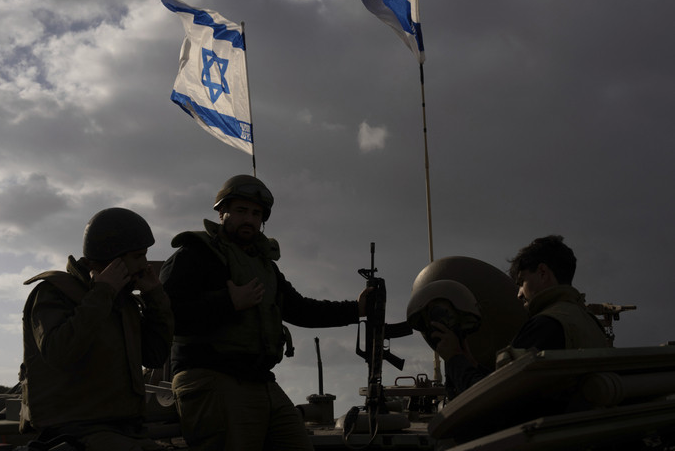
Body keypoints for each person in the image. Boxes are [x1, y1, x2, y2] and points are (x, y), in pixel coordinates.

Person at [160, 174, 369, 451]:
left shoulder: (264, 266)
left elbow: (300, 309)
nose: (249, 219)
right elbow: (167, 317)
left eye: (256, 214)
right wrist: (228, 302)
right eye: (241, 211)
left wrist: (356, 309)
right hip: (211, 377)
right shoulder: (195, 255)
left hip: (259, 379)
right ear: (222, 213)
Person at [19, 208, 174, 451]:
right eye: (137, 256)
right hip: (76, 430)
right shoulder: (54, 293)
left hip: (126, 428)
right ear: (112, 259)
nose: (144, 264)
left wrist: (155, 298)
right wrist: (102, 293)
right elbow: (59, 352)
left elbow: (154, 355)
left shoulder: (122, 301)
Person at [412, 235, 608, 397]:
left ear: (542, 272)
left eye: (522, 282)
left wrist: (454, 358)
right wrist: (471, 364)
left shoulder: (546, 325)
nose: (519, 294)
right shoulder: (588, 322)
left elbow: (492, 400)